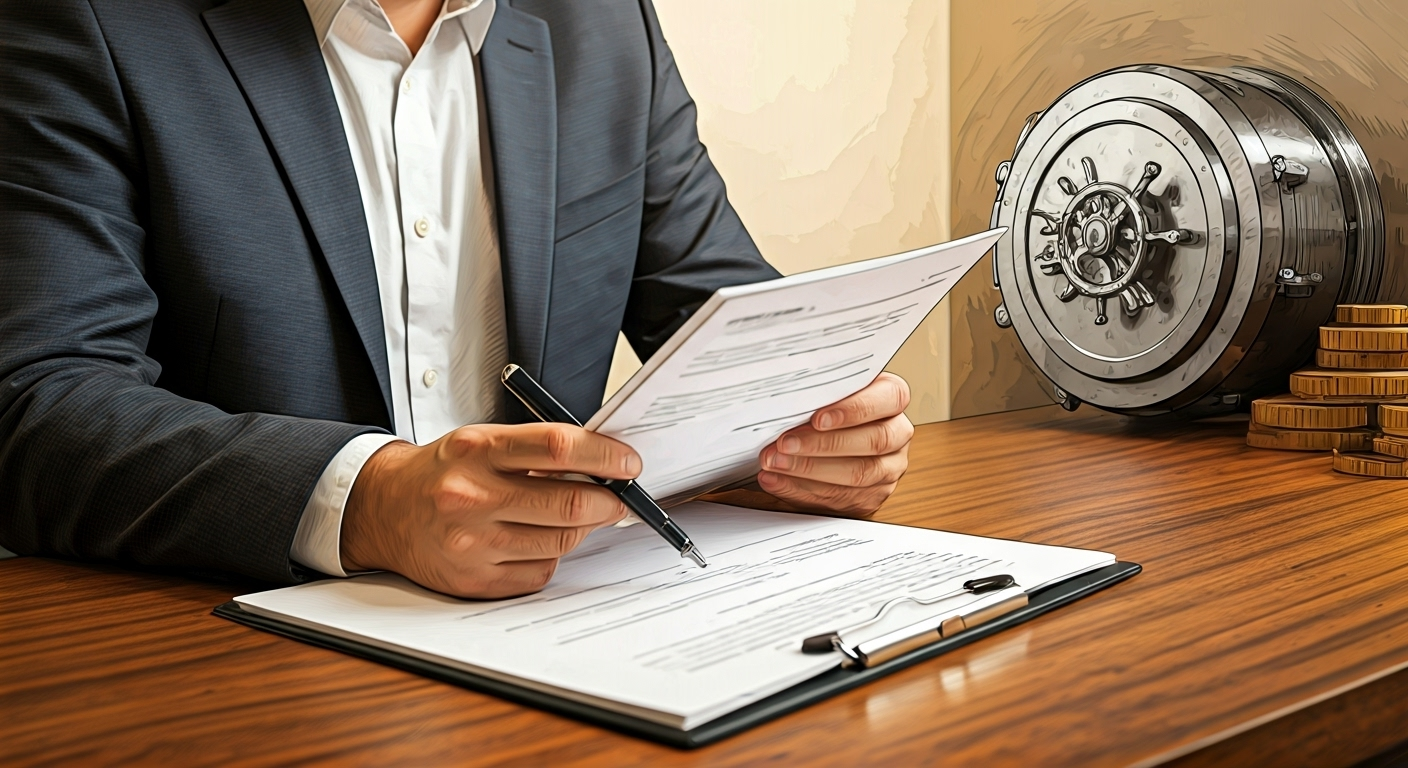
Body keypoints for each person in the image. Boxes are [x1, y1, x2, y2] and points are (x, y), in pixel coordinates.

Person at [0, 0, 914, 599]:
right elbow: (38, 407)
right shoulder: (87, 20)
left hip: (577, 630)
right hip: (232, 650)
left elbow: (729, 326)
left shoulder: (604, 23)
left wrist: (809, 431)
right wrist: (369, 500)